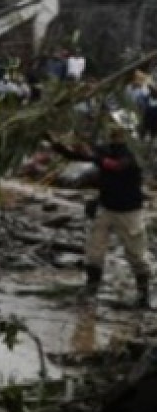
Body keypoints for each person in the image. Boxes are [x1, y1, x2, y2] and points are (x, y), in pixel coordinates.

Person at [49, 126, 151, 307]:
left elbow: (117, 166)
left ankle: (143, 293)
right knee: (94, 248)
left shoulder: (131, 155)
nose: (115, 139)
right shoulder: (106, 150)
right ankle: (92, 286)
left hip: (129, 211)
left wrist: (93, 155)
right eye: (114, 135)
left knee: (136, 253)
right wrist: (57, 146)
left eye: (118, 136)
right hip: (106, 207)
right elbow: (81, 157)